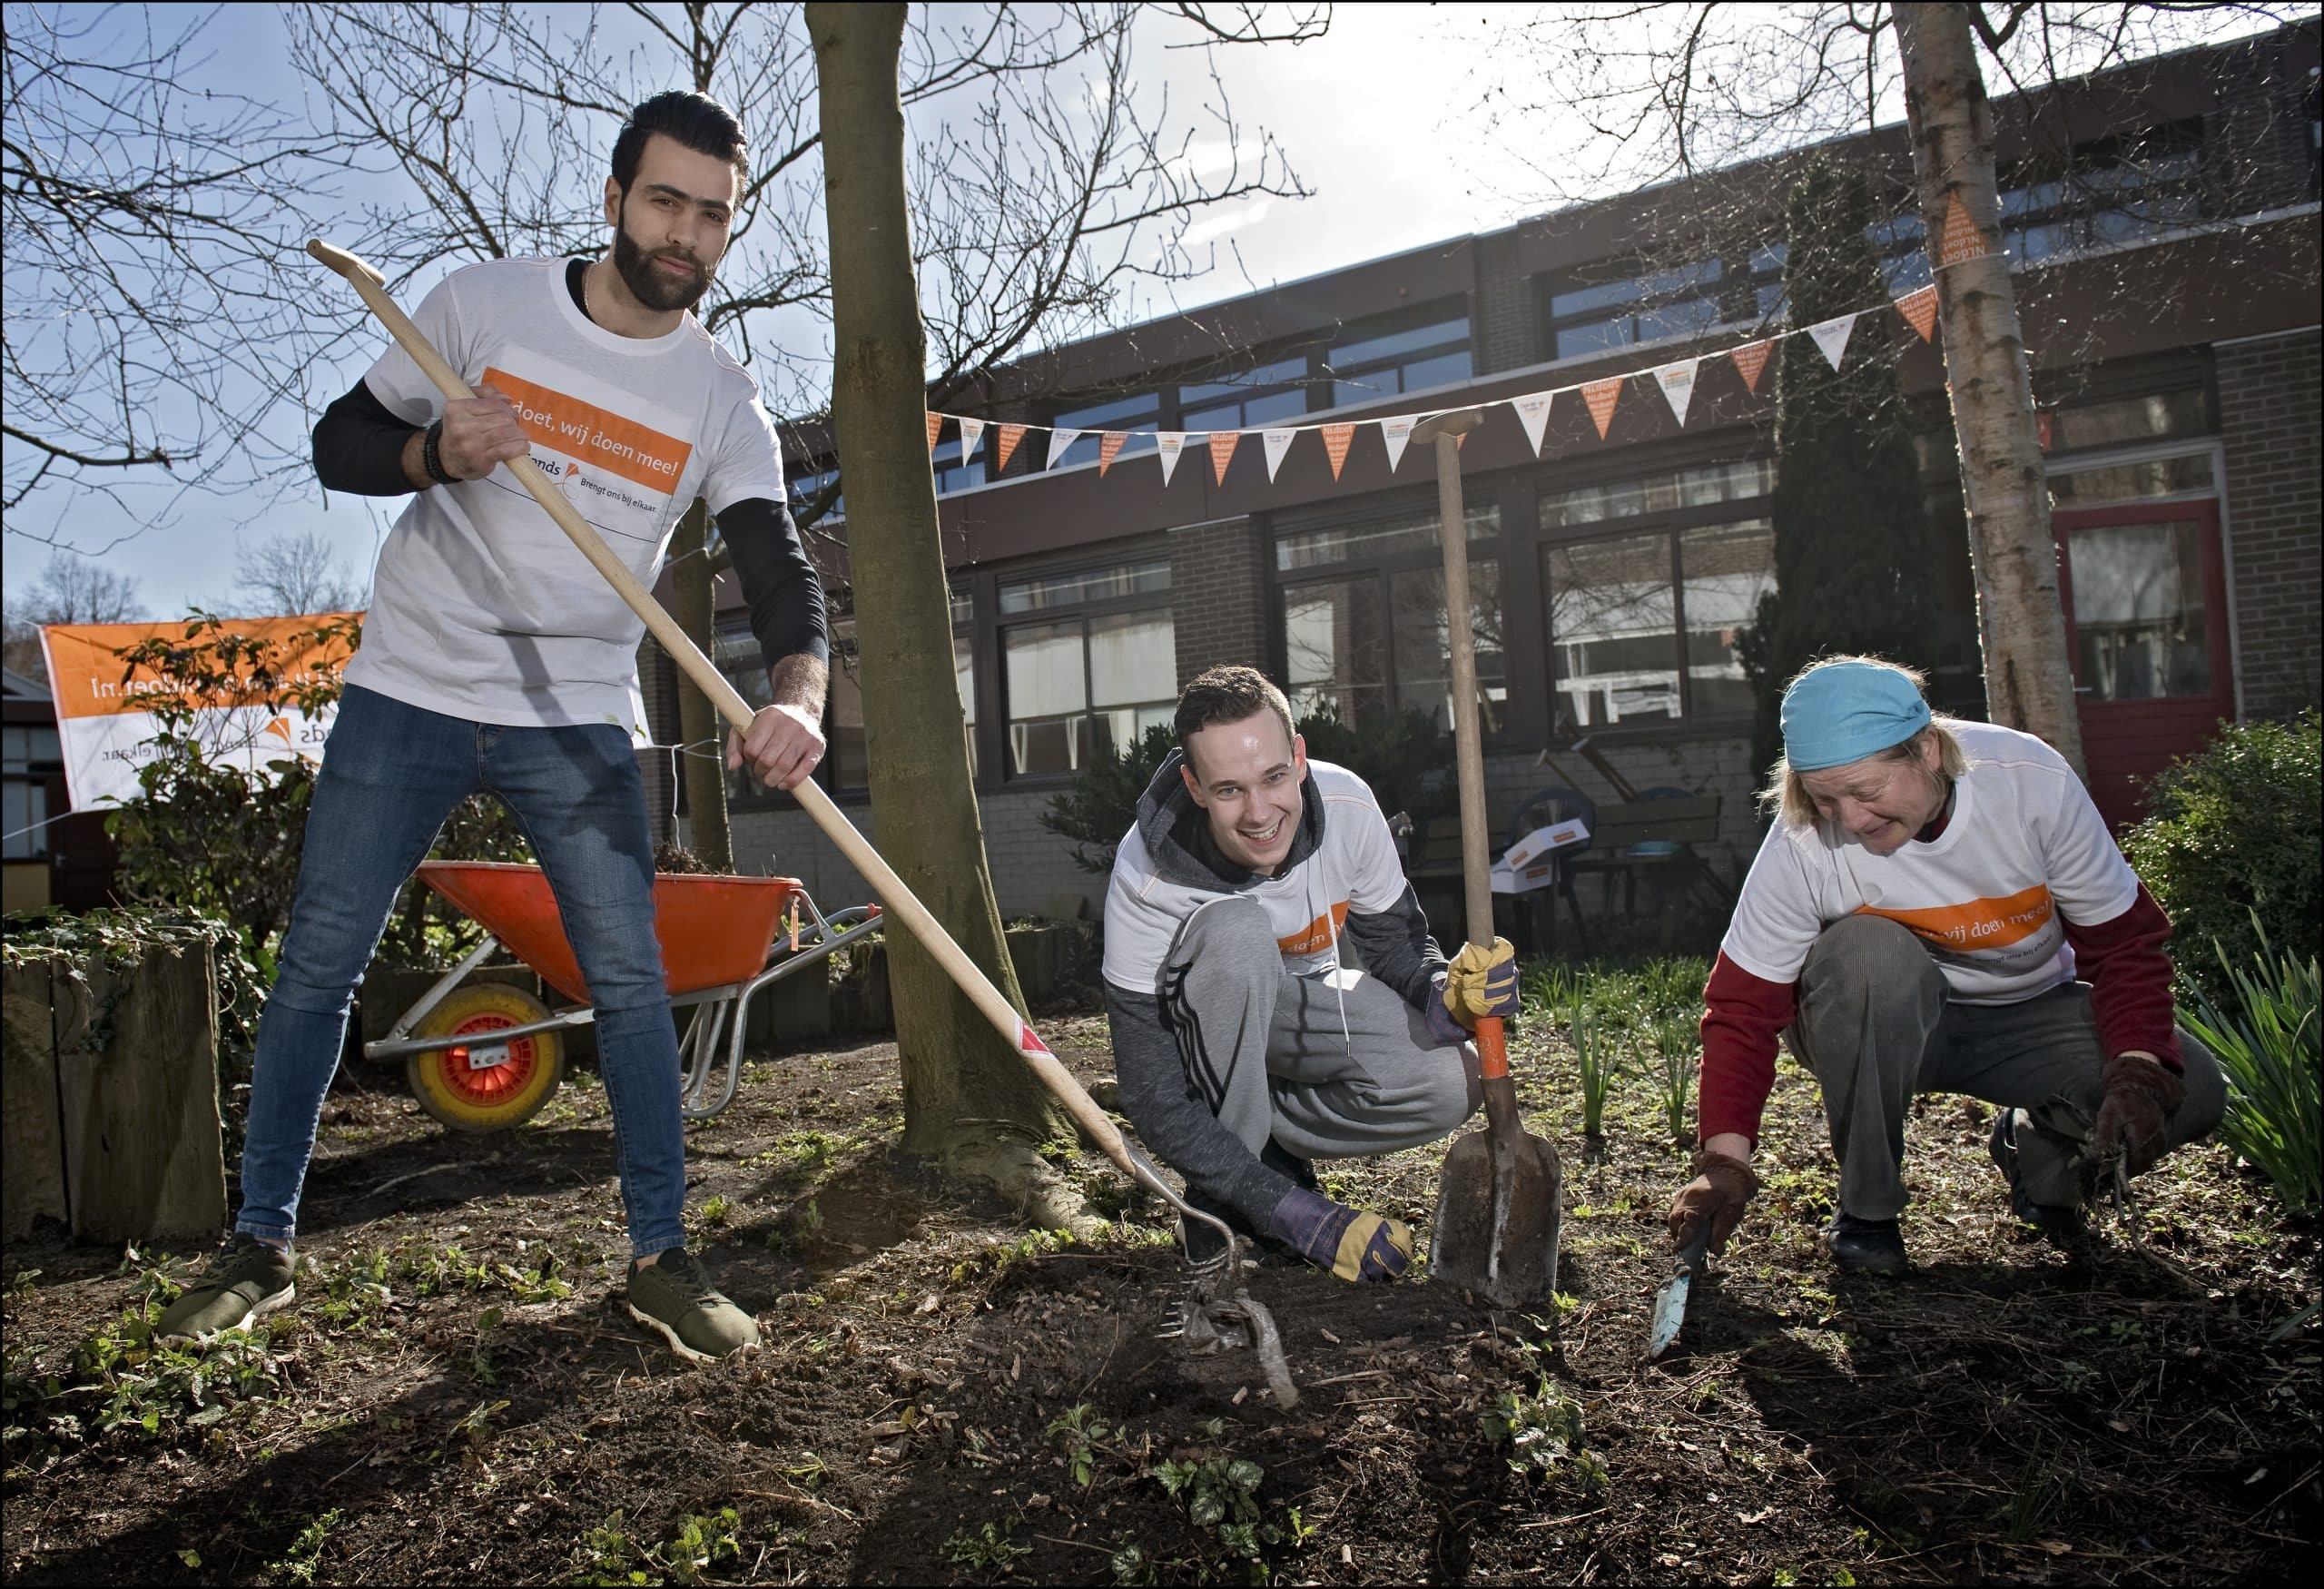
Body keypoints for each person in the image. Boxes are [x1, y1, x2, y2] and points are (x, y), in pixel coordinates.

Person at [158, 92, 828, 1363]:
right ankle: (260, 1243)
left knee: (629, 981)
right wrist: (433, 453)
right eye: (665, 200)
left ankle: (660, 1257)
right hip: (410, 682)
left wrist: (797, 693)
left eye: (712, 215)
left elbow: (778, 565)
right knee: (319, 962)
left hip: (574, 713)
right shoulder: (484, 305)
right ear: (619, 196)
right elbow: (336, 442)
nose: (685, 234)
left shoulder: (718, 397)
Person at [1667, 656, 2225, 1276]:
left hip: (2026, 1019)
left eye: (1867, 790)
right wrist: (1723, 1162)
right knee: (1867, 951)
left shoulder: (2028, 782)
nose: (1851, 820)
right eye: (1827, 800)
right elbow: (1742, 1008)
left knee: (2194, 1088)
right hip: (1877, 1022)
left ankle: (2041, 1161)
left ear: (1927, 750)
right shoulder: (1803, 842)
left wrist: (2140, 1072)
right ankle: (1867, 1215)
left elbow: (2124, 944)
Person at [1102, 665, 1520, 1281]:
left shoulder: (1348, 807)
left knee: (1451, 1079)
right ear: (1193, 786)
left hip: (1298, 1013)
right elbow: (1151, 1093)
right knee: (1235, 932)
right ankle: (1222, 1210)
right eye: (1228, 791)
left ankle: (1261, 1154)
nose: (1259, 812)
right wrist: (1293, 1213)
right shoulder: (1146, 877)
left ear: (1297, 757)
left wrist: (1446, 994)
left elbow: (1398, 951)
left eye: (1274, 777)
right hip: (1200, 1045)